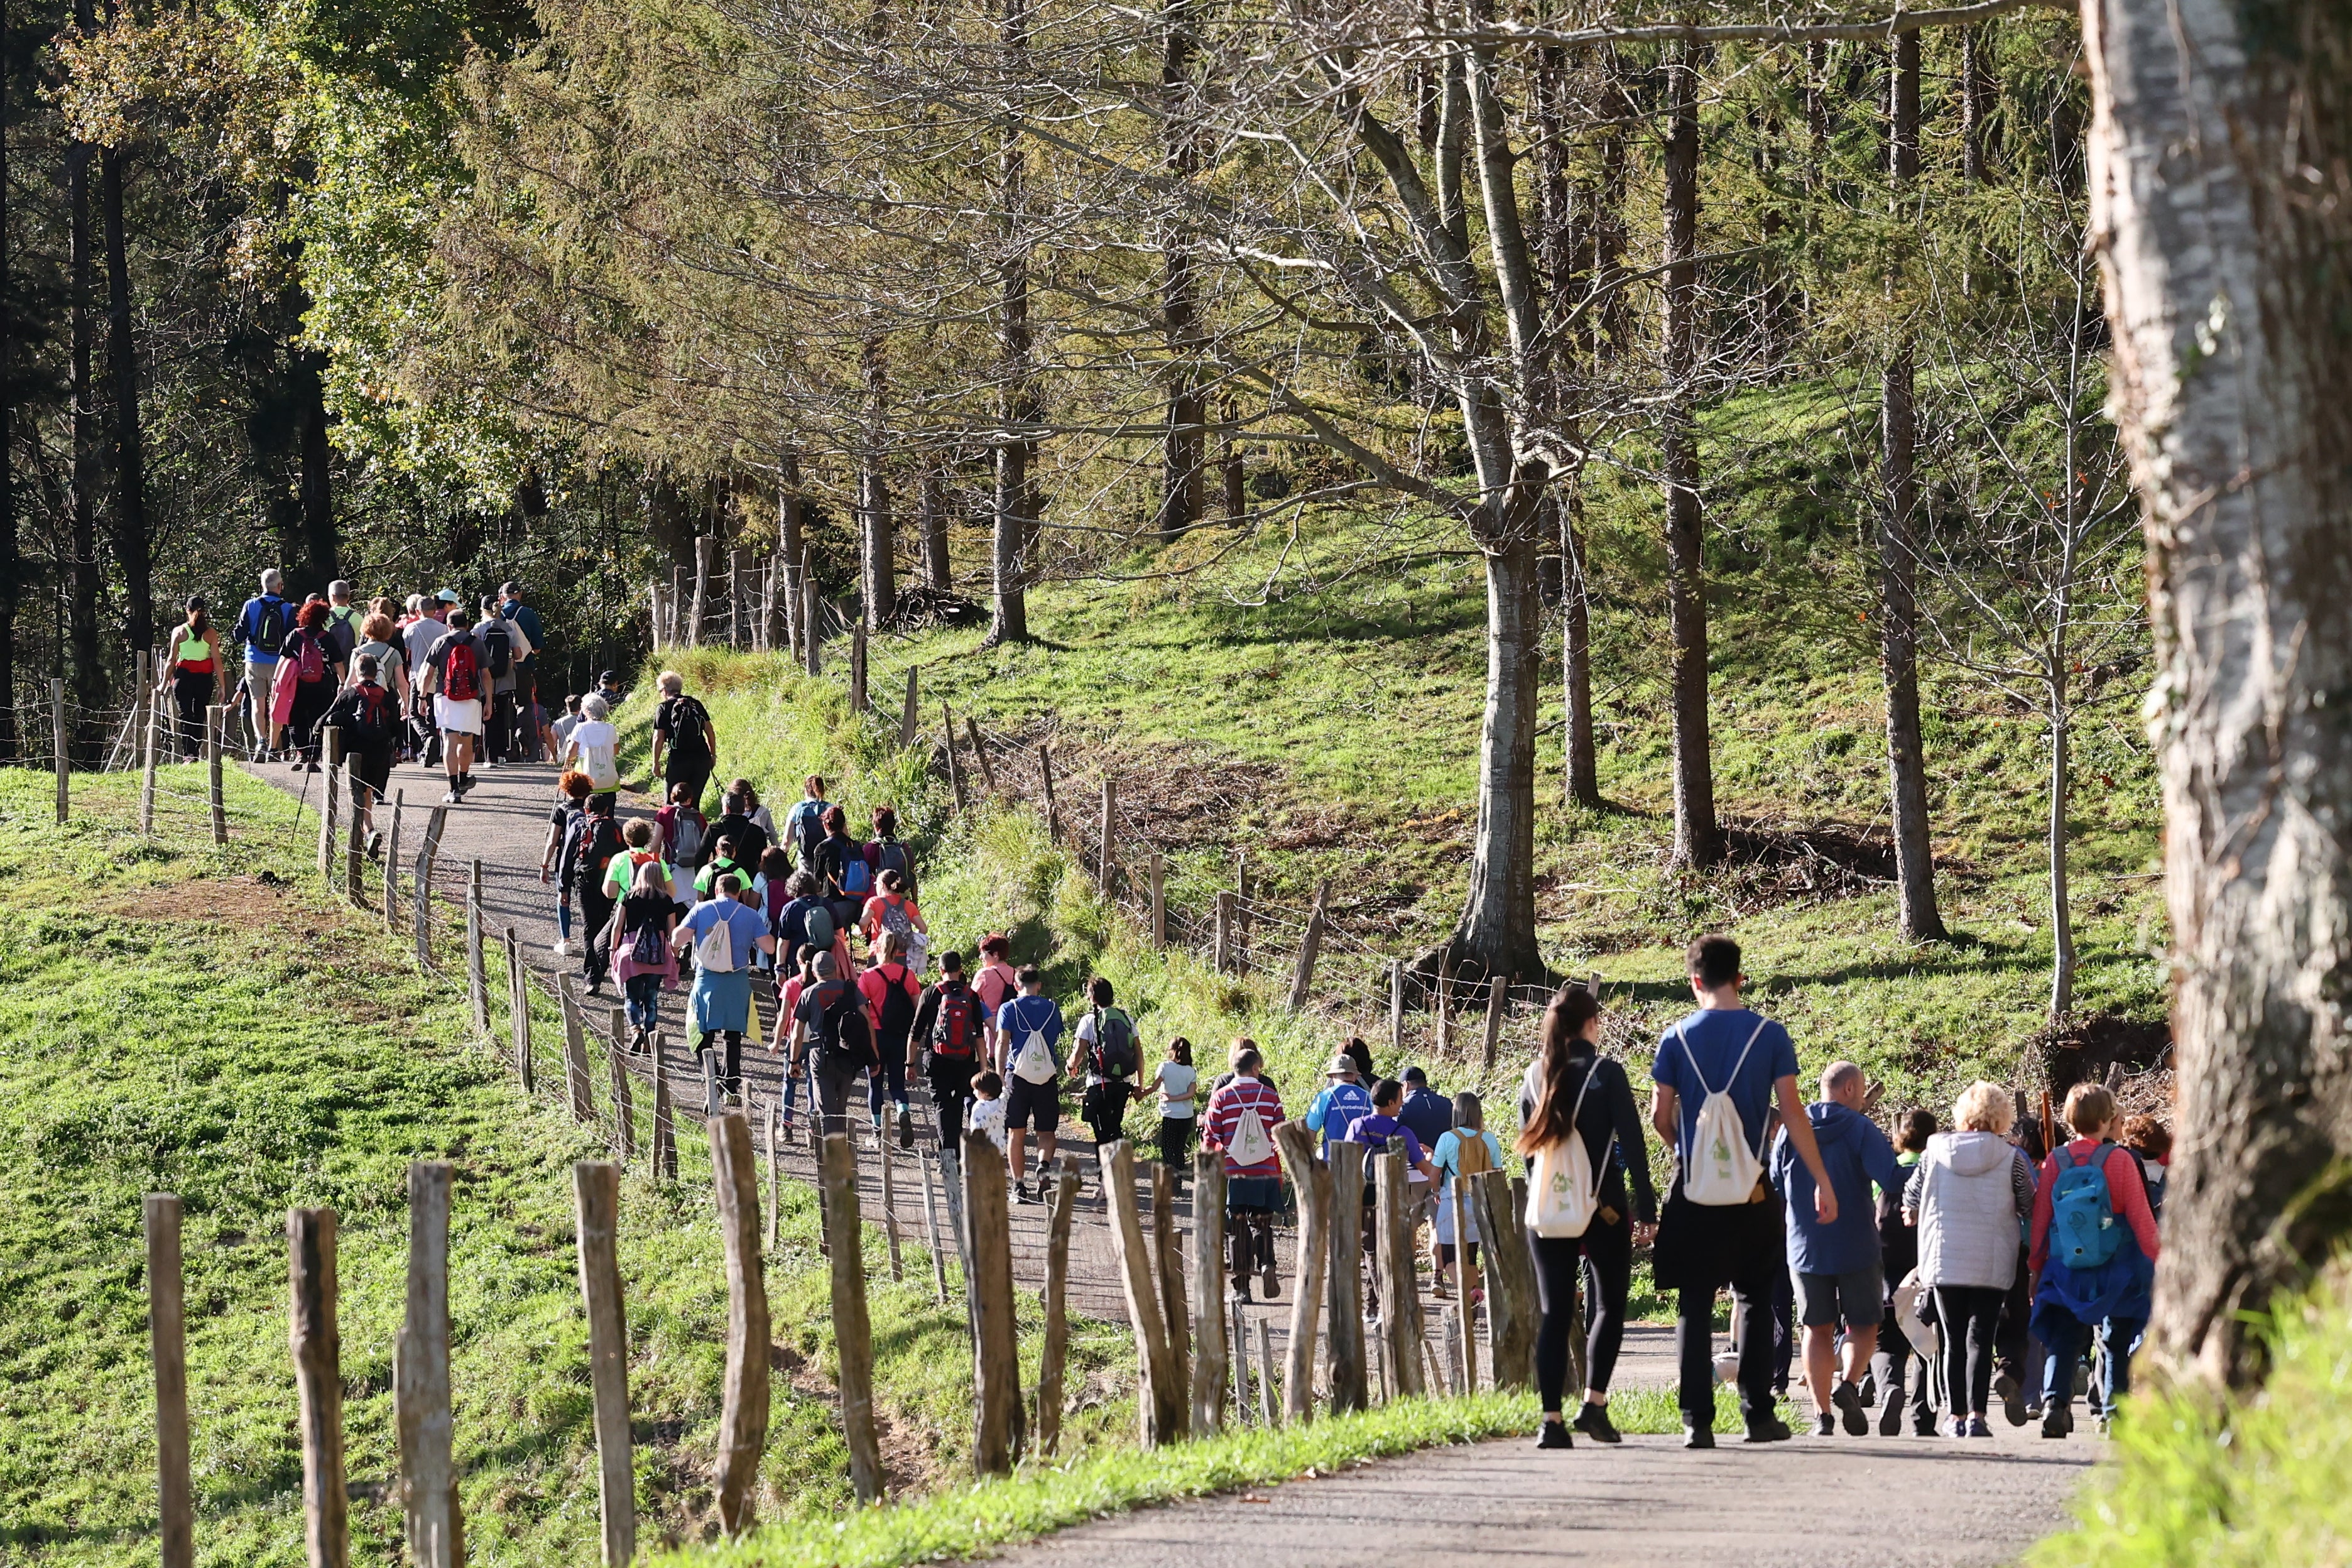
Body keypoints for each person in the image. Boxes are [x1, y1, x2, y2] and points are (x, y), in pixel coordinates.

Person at [1648, 934, 1838, 1449]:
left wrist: (1685, 1153)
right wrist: (1821, 1180)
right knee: (1754, 1296)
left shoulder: (1674, 1039)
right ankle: (1757, 1413)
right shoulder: (1770, 1036)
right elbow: (1793, 1114)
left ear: (1694, 982)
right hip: (1753, 1187)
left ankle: (1696, 1421)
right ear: (1740, 978)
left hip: (1693, 1191)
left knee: (1694, 1301)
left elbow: (1659, 1116)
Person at [1516, 984, 1657, 1449]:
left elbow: (1531, 1156)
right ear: (1592, 1024)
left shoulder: (1535, 1076)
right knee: (1609, 1305)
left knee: (1554, 1313)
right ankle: (1594, 1404)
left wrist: (1553, 1194)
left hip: (1549, 1206)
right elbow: (1633, 1146)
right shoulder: (1606, 1073)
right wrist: (1648, 1208)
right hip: (1606, 1207)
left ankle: (1550, 1421)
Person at [1772, 1060, 1902, 1437]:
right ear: (1848, 1090)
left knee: (1815, 1327)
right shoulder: (1861, 1128)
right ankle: (1848, 1384)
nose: (1862, 1099)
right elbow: (1891, 1177)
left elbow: (1777, 1182)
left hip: (1805, 1245)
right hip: (1857, 1243)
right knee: (1865, 1323)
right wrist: (1927, 1164)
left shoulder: (1791, 1129)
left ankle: (1822, 1416)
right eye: (1860, 1092)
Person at [1904, 1082, 2037, 1439]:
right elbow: (2029, 1204)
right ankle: (1978, 1416)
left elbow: (1912, 1193)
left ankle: (1955, 1416)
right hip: (1992, 1263)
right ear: (2001, 1116)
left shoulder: (1934, 1149)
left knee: (1952, 1338)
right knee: (1981, 1338)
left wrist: (1914, 1211)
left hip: (1945, 1259)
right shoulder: (2012, 1159)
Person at [2029, 1082, 2160, 1439]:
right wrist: (2159, 1260)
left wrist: (2036, 1267)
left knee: (2064, 1339)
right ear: (2108, 1119)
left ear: (2070, 1119)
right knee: (2116, 1342)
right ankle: (2115, 1414)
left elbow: (2042, 1219)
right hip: (2117, 1267)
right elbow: (2141, 1219)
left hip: (2067, 1266)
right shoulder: (2119, 1160)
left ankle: (2056, 1405)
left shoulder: (2056, 1160)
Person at [673, 873, 775, 1105]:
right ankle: (731, 1085)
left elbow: (678, 939)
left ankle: (713, 1080)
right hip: (737, 981)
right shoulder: (749, 915)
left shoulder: (701, 910)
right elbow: (769, 947)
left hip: (707, 980)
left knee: (701, 1036)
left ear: (717, 890)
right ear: (739, 892)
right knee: (732, 1037)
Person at [1344, 1077, 1442, 1317]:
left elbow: (1345, 1162)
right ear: (1390, 1102)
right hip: (1394, 1200)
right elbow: (1425, 1171)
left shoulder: (1357, 1126)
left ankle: (1372, 1307)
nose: (1401, 1105)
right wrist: (1430, 1158)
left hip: (1364, 1198)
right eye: (1399, 1100)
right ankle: (1383, 1305)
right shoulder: (1403, 1132)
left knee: (1371, 1251)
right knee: (1388, 1252)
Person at [1874, 1108, 1941, 1435]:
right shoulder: (1937, 1171)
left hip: (1887, 1268)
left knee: (1887, 1341)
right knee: (1927, 1344)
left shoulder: (1886, 1172)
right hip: (1926, 1267)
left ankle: (1889, 1389)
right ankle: (1922, 1420)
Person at [1204, 1041, 1287, 1302]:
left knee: (1237, 1226)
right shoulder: (1271, 1096)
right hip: (1266, 1170)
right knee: (1262, 1222)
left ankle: (1242, 1288)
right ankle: (1267, 1264)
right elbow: (1281, 1136)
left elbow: (1209, 1139)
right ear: (1254, 1068)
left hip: (1234, 1171)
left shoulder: (1221, 1097)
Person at [787, 950, 879, 1138]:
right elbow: (867, 1021)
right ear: (836, 969)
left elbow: (796, 1034)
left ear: (814, 972)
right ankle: (841, 1151)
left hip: (820, 1056)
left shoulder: (808, 994)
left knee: (826, 1111)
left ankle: (832, 1157)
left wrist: (794, 1061)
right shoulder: (850, 990)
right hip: (847, 1054)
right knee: (840, 1108)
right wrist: (873, 1055)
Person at [994, 966, 1065, 1202]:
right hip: (1046, 1076)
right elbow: (1054, 1038)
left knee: (1016, 1132)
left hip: (1018, 1076)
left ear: (1016, 985)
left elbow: (1003, 1043)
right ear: (1039, 985)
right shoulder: (1053, 1009)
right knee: (1046, 1131)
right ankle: (1043, 1166)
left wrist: (1000, 1075)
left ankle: (1019, 1186)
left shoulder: (1009, 1008)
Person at [318, 655, 403, 852]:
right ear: (377, 673)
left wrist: (319, 729)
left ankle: (366, 834)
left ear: (357, 671)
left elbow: (324, 719)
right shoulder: (386, 694)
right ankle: (368, 833)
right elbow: (397, 728)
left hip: (356, 753)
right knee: (367, 794)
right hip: (380, 754)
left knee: (357, 794)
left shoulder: (350, 693)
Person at [912, 950, 988, 1152]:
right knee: (955, 1107)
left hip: (936, 1059)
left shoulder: (930, 993)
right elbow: (979, 1034)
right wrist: (983, 1067)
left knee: (941, 1105)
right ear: (961, 970)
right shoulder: (971, 995)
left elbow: (916, 1032)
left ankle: (947, 1154)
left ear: (940, 970)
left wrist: (909, 1063)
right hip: (964, 1060)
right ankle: (950, 1152)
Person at [1432, 1091, 1503, 1298]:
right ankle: (1474, 1298)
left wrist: (1436, 1191)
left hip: (1452, 1201)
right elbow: (1497, 1175)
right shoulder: (1489, 1138)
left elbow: (1435, 1174)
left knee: (1449, 1258)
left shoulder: (1447, 1138)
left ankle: (1470, 1292)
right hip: (1480, 1204)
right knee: (1471, 1256)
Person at [860, 932, 924, 1145]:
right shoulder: (908, 976)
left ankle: (877, 1133)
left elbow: (860, 1011)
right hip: (900, 1037)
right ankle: (902, 1111)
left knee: (875, 1086)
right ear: (897, 952)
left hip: (875, 1036)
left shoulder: (868, 976)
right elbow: (918, 1009)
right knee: (897, 1086)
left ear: (877, 949)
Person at [608, 859, 679, 1052]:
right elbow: (673, 933)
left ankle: (635, 1030)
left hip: (631, 952)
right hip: (658, 955)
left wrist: (613, 950)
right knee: (652, 998)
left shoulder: (629, 896)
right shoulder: (667, 900)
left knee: (631, 997)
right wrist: (676, 957)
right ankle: (649, 1039)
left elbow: (617, 928)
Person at [422, 606, 489, 802]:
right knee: (466, 742)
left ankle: (454, 791)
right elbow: (486, 675)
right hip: (471, 698)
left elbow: (427, 673)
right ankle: (463, 779)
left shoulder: (440, 642)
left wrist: (422, 697)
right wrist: (489, 701)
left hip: (446, 697)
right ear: (467, 625)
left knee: (449, 742)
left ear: (448, 626)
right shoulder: (477, 643)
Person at [566, 793, 627, 991]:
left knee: (589, 926)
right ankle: (601, 966)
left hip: (585, 881)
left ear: (586, 810)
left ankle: (592, 977)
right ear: (607, 810)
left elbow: (568, 857)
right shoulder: (617, 828)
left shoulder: (579, 826)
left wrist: (563, 888)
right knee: (605, 923)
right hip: (610, 881)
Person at [271, 599, 340, 771]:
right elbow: (338, 663)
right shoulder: (328, 638)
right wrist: (343, 683)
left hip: (297, 684)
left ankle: (301, 753)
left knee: (296, 718)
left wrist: (276, 682)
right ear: (324, 618)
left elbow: (283, 659)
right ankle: (314, 759)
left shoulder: (295, 635)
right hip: (323, 685)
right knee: (318, 721)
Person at [1074, 977, 1141, 1150]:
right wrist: (1139, 1083)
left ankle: (1105, 1173)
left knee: (1102, 1133)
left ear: (1092, 997)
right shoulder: (1126, 1017)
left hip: (1099, 1083)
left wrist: (1070, 1066)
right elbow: (1139, 1053)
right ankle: (1119, 1168)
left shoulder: (1089, 1020)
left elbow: (1078, 1055)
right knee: (1115, 1126)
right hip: (1123, 1083)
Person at [233, 569, 294, 758]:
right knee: (276, 704)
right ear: (279, 586)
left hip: (254, 660)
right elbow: (292, 638)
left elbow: (238, 635)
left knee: (257, 703)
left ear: (262, 585)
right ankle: (273, 748)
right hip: (279, 664)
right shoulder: (288, 609)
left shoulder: (250, 605)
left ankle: (260, 741)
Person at [476, 594, 535, 766]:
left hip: (484, 679)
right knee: (503, 716)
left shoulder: (479, 628)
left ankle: (490, 757)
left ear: (483, 609)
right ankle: (502, 754)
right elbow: (519, 654)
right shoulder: (510, 628)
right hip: (506, 679)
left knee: (488, 717)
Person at [541, 770, 594, 956]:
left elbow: (552, 841)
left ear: (566, 789)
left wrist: (545, 865)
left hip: (565, 860)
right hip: (587, 860)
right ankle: (592, 941)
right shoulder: (591, 808)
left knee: (563, 898)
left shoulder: (562, 810)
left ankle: (566, 941)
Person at [401, 591, 455, 768]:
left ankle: (428, 738)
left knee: (414, 713)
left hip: (418, 675)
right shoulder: (443, 629)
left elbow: (406, 656)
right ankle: (433, 747)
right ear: (434, 610)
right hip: (438, 676)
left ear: (418, 611)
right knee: (433, 714)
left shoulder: (410, 629)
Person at [649, 671, 717, 810]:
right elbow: (710, 731)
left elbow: (658, 737)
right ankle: (694, 831)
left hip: (679, 760)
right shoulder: (695, 704)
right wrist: (712, 755)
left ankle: (671, 831)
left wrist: (656, 763)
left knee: (671, 803)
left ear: (665, 690)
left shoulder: (663, 708)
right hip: (702, 759)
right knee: (694, 802)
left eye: (660, 690)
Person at [163, 597, 222, 759]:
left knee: (186, 715)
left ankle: (189, 753)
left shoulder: (179, 631)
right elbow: (217, 660)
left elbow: (171, 660)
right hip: (204, 679)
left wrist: (163, 684)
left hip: (184, 678)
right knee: (199, 715)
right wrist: (222, 686)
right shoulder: (210, 633)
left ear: (187, 610)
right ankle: (193, 751)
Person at [498, 582, 545, 760]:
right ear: (520, 594)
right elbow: (538, 647)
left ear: (502, 595)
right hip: (524, 667)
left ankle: (506, 746)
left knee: (503, 705)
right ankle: (521, 733)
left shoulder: (496, 615)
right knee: (524, 704)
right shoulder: (528, 614)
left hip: (501, 669)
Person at [1306, 1053, 1375, 1160]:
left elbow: (1309, 1132)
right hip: (1361, 1162)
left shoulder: (1324, 1097)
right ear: (1355, 1076)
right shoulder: (1368, 1097)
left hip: (1333, 1162)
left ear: (1333, 1076)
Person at [861, 869, 929, 976]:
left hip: (879, 953)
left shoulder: (874, 902)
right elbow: (923, 929)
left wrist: (864, 931)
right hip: (902, 956)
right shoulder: (908, 905)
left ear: (883, 885)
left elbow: (863, 923)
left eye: (877, 884)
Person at [561, 693, 622, 812]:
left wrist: (570, 760)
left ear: (586, 711)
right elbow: (616, 751)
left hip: (585, 782)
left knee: (584, 816)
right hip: (608, 782)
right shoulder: (610, 728)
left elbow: (571, 753)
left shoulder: (581, 728)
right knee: (607, 816)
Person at [815, 805, 865, 932]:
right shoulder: (855, 845)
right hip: (858, 903)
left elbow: (817, 881)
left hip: (834, 904)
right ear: (844, 824)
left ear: (826, 826)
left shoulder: (823, 848)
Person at [705, 781, 773, 876]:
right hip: (750, 880)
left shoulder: (714, 829)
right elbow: (763, 859)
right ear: (743, 809)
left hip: (720, 879)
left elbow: (702, 858)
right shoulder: (757, 831)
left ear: (727, 809)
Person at [352, 612, 412, 718]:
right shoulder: (394, 653)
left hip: (363, 698)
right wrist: (405, 703)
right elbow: (401, 683)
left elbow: (352, 680)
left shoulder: (357, 652)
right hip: (387, 699)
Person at [973, 935, 1020, 1070]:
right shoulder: (1016, 974)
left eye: (983, 954)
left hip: (992, 1037)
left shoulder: (984, 974)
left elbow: (970, 1001)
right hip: (1014, 1035)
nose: (981, 957)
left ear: (995, 955)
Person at [656, 783, 707, 900]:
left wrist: (656, 865)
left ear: (672, 796)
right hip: (694, 870)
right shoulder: (699, 817)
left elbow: (656, 843)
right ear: (690, 799)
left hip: (672, 867)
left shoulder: (665, 813)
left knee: (671, 908)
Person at [1155, 1037, 1198, 1172]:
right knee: (1179, 1149)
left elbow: (1154, 1086)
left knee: (1168, 1148)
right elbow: (1191, 1094)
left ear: (1172, 1050)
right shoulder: (1190, 1071)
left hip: (1170, 1114)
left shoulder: (1165, 1067)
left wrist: (1140, 1093)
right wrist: (1175, 1098)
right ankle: (1178, 1179)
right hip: (1186, 1114)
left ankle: (1171, 1178)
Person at [866, 805, 917, 900]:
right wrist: (915, 903)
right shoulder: (903, 847)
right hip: (904, 900)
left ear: (876, 827)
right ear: (893, 825)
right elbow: (912, 876)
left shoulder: (870, 848)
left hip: (882, 903)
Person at [784, 775, 834, 873]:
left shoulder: (797, 808)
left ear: (806, 790)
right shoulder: (830, 809)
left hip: (805, 861)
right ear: (823, 790)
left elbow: (787, 841)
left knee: (808, 887)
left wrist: (782, 853)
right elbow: (844, 835)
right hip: (828, 859)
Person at [967, 1070, 1009, 1156]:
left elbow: (977, 1130)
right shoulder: (1002, 1104)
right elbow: (1005, 1093)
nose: (974, 1092)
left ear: (986, 1093)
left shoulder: (979, 1107)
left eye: (976, 1089)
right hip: (998, 1150)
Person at [695, 834, 749, 900]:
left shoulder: (705, 870)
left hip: (712, 909)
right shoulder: (740, 871)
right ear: (734, 851)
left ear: (717, 850)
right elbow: (746, 901)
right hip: (734, 910)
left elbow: (700, 900)